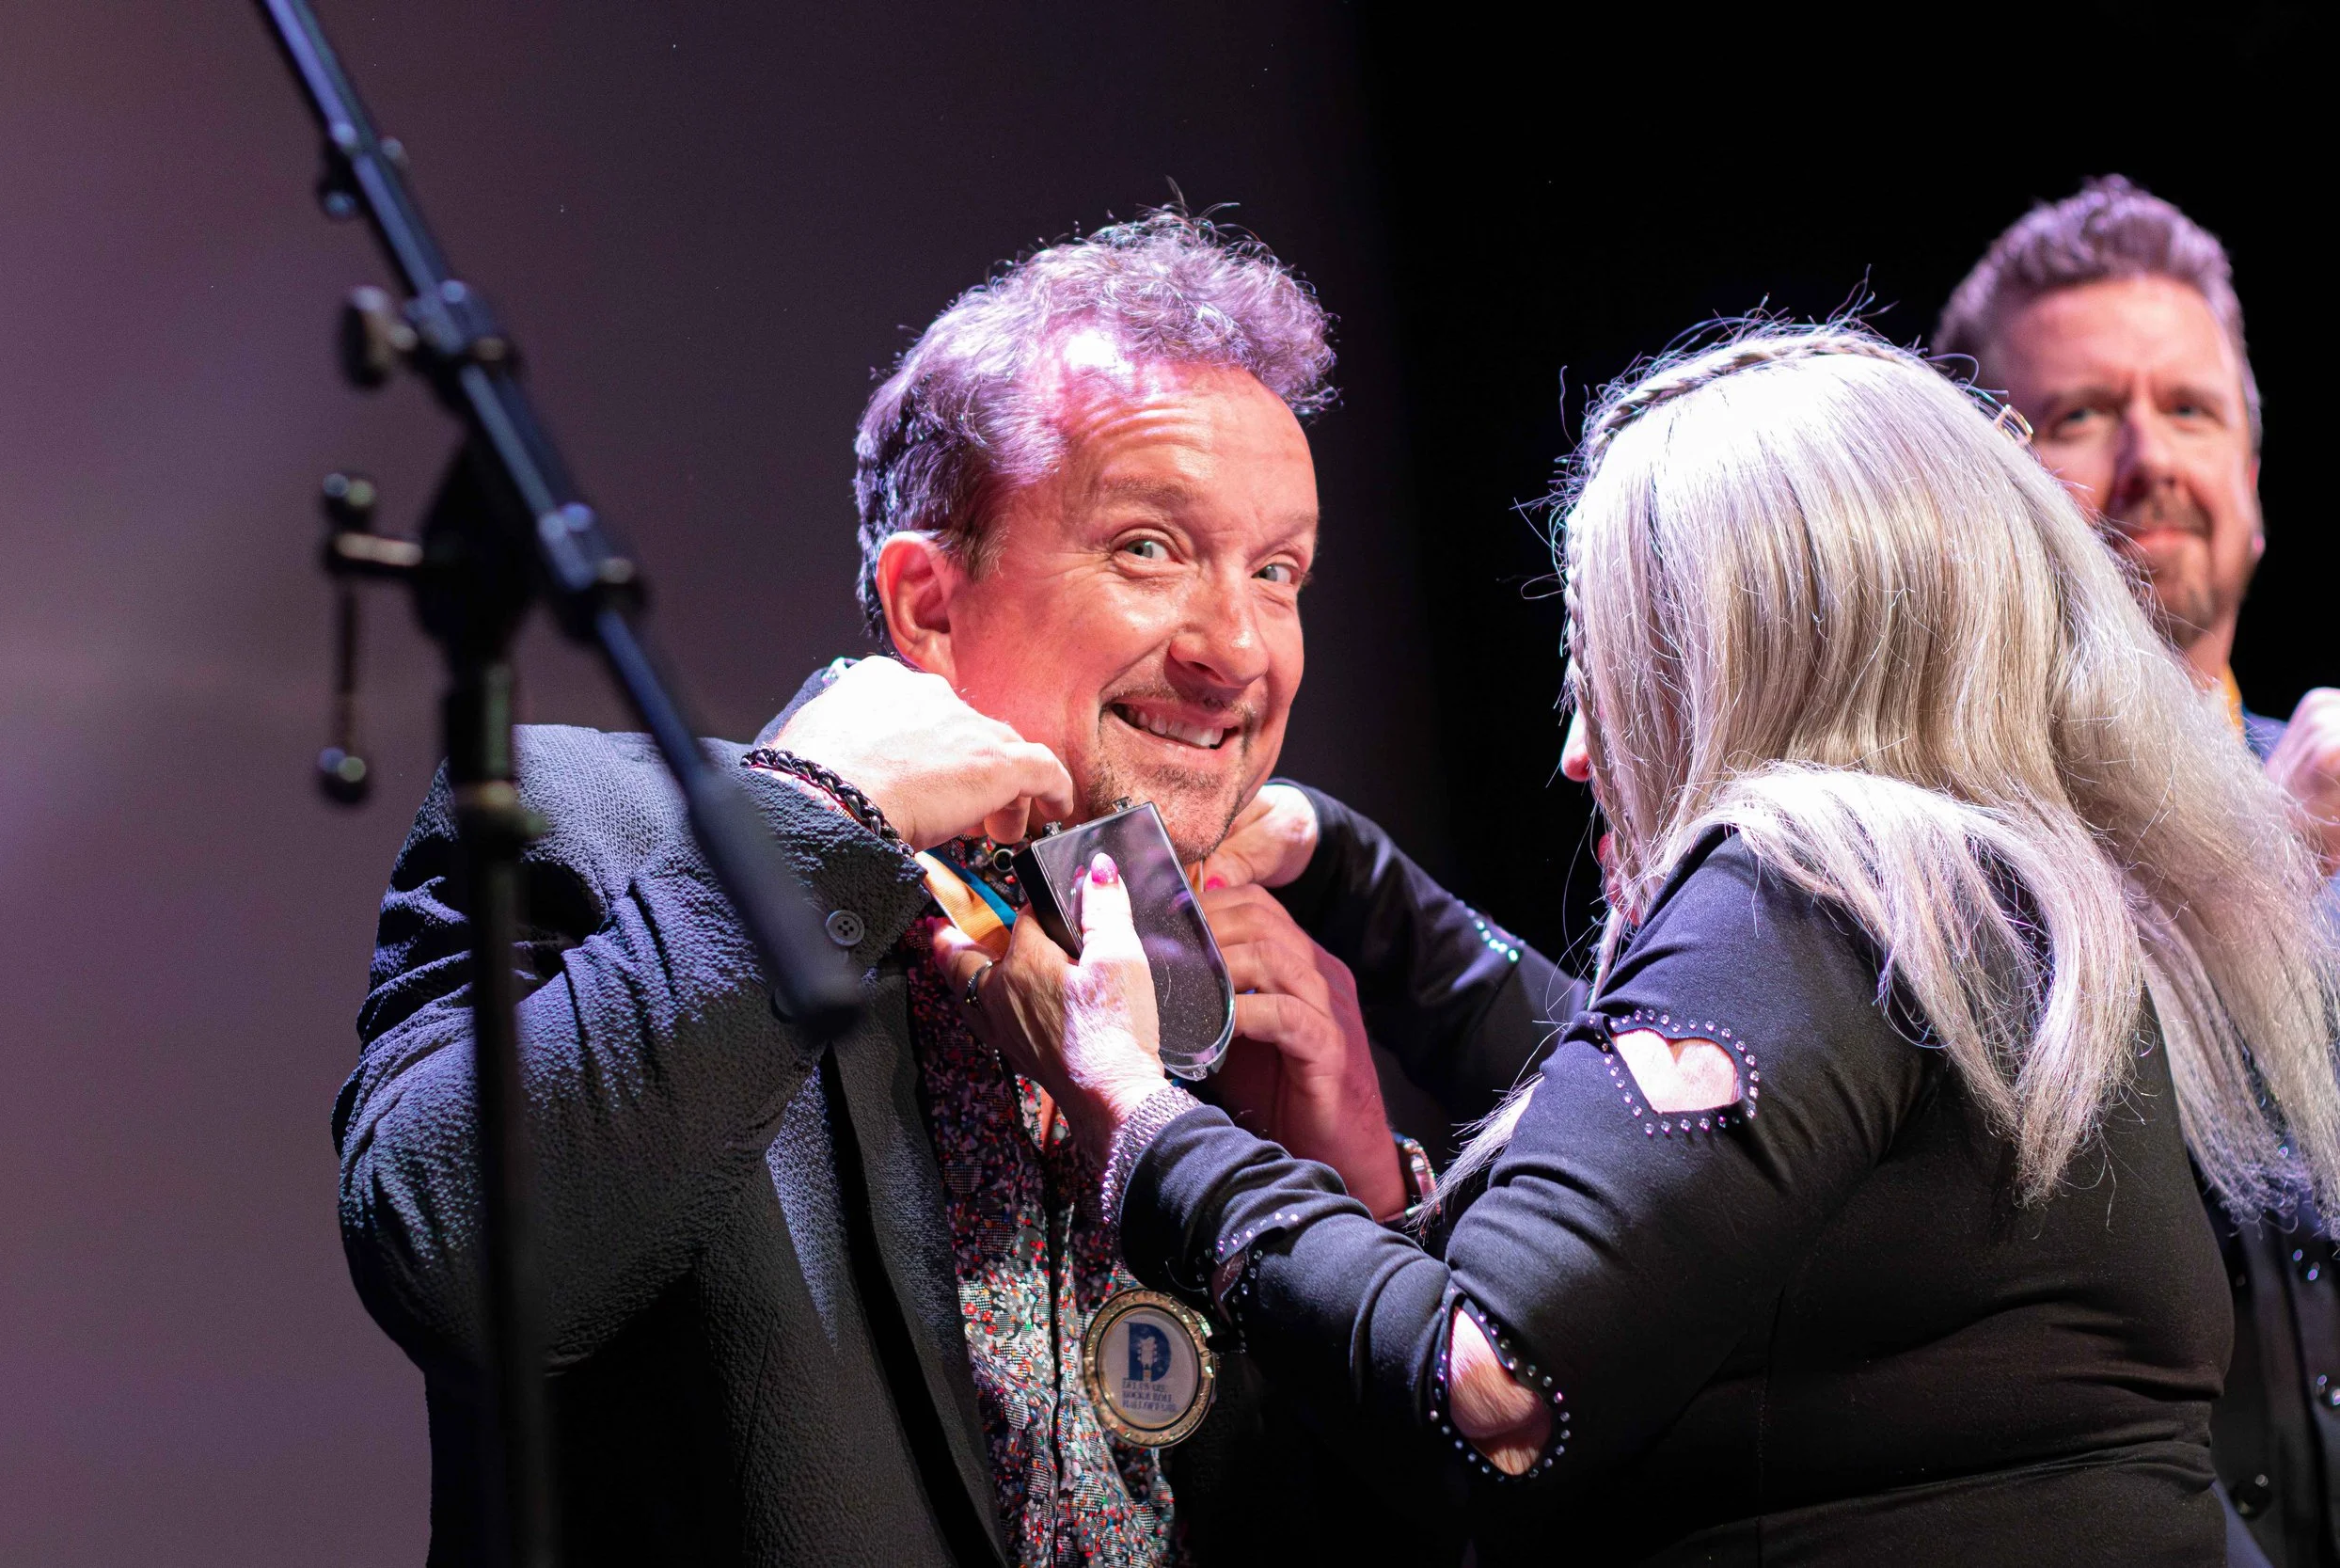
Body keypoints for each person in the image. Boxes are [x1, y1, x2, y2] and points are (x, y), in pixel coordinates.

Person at [968, 325, 2340, 1564]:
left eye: (1606, 668)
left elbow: (1492, 1385)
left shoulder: (1816, 883)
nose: (1575, 752)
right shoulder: (1995, 906)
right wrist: (1354, 876)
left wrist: (1140, 1115)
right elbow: (1690, 1161)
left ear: (1751, 653)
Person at [335, 210, 1408, 1566]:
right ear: (928, 604)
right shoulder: (596, 829)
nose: (1239, 649)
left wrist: (1355, 1205)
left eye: (1278, 572)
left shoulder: (1204, 1000)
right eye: (1149, 547)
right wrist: (805, 827)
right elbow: (448, 1253)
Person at [1936, 177, 2340, 1564]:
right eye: (2080, 415)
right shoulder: (1930, 872)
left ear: (2257, 492)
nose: (2149, 456)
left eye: (2192, 409)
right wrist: (2262, 869)